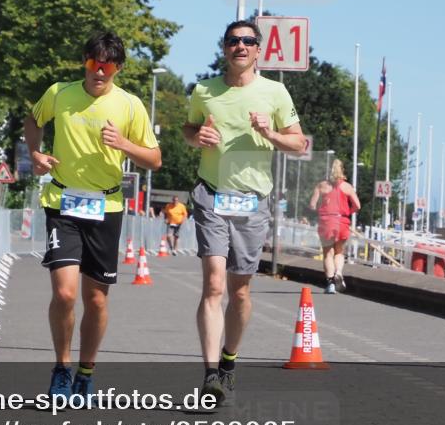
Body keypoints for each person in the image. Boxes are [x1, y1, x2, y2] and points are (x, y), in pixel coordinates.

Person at [24, 32, 161, 402]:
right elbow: (33, 121)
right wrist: (36, 153)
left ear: (117, 68)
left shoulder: (130, 106)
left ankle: (86, 371)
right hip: (63, 202)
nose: (99, 71)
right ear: (84, 61)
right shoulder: (59, 93)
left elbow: (154, 159)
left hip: (107, 207)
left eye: (108, 65)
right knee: (65, 293)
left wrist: (125, 145)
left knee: (96, 299)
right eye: (92, 63)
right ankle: (61, 370)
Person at [183, 20, 307, 404]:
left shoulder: (275, 92)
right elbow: (188, 129)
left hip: (253, 202)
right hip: (212, 195)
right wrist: (195, 136)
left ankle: (229, 364)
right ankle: (209, 377)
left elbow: (299, 143)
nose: (240, 46)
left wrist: (271, 135)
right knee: (214, 284)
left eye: (248, 41)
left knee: (239, 292)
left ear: (259, 50)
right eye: (233, 41)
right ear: (224, 48)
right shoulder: (204, 90)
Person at [309, 159, 361, 293]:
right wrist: (348, 212)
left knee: (328, 253)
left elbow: (312, 205)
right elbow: (357, 205)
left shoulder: (321, 186)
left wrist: (321, 208)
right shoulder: (347, 187)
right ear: (342, 170)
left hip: (326, 221)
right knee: (339, 251)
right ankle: (338, 272)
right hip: (342, 221)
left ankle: (330, 282)